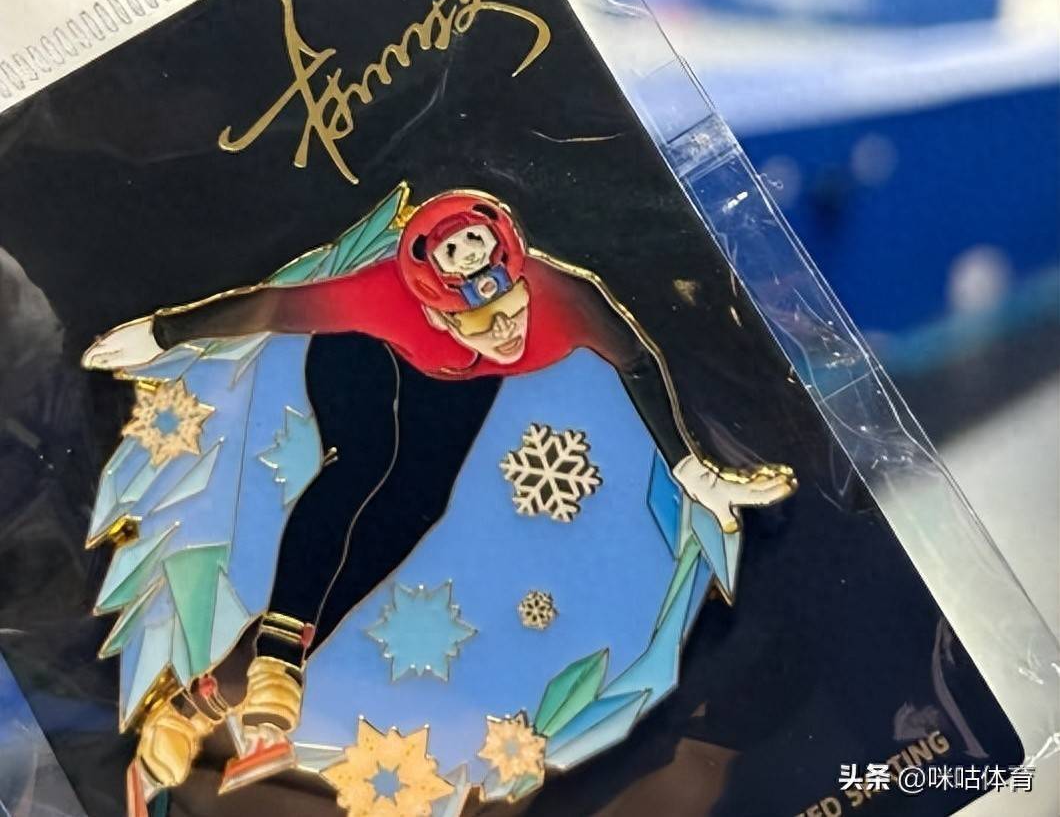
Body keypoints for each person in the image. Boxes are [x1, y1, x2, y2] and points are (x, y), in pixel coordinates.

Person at [84, 189, 795, 795]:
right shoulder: (378, 299)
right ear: (438, 312)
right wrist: (162, 334)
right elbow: (270, 308)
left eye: (512, 305)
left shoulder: (561, 301)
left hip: (452, 376)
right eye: (484, 320)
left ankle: (229, 685)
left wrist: (690, 469)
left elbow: (637, 362)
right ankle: (269, 659)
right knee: (364, 464)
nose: (510, 331)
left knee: (415, 505)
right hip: (367, 352)